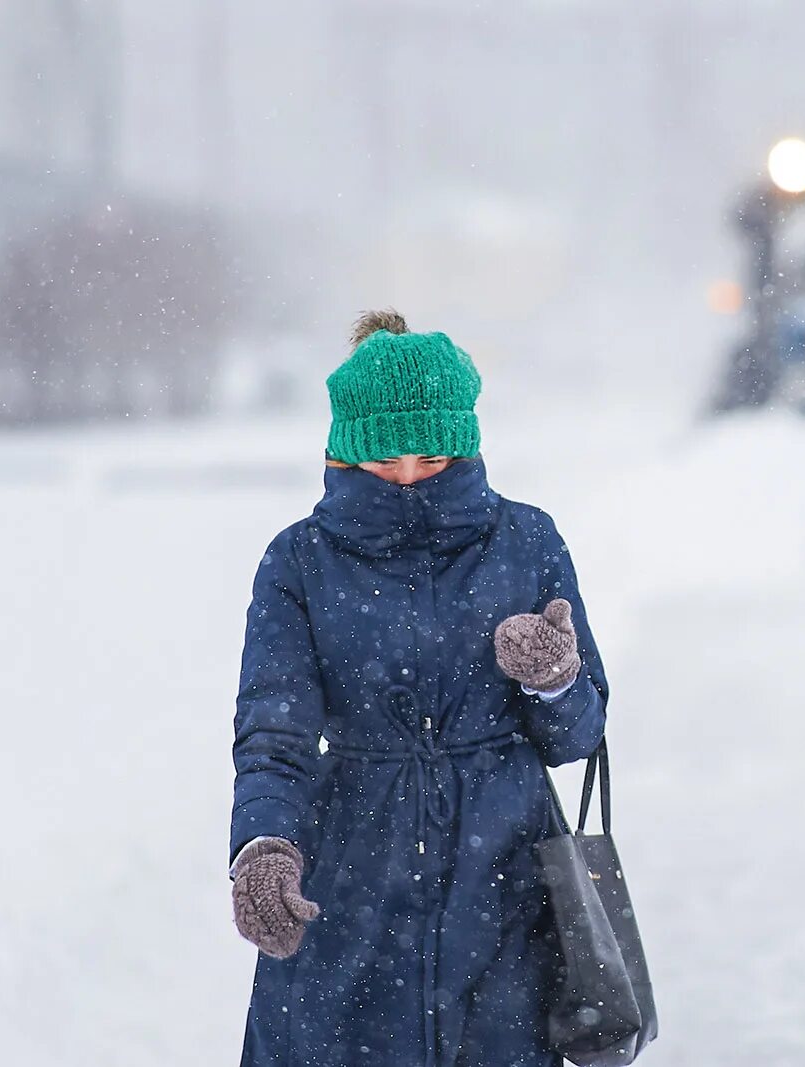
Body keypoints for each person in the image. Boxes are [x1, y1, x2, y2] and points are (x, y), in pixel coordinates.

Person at [228, 310, 610, 1067]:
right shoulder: (298, 563)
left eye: (431, 458)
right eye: (385, 460)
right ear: (344, 453)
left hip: (505, 887)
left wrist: (553, 680)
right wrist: (263, 843)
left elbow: (579, 737)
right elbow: (275, 732)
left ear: (464, 443)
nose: (408, 478)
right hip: (352, 886)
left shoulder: (528, 541)